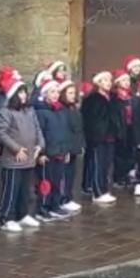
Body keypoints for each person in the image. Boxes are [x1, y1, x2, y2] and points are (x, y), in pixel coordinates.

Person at [0, 77, 44, 233]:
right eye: (20, 92)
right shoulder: (6, 112)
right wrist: (16, 148)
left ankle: (23, 214)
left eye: (24, 92)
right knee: (11, 190)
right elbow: (1, 133)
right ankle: (7, 218)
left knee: (25, 189)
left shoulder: (30, 110)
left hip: (30, 157)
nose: (23, 95)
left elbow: (38, 129)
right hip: (14, 159)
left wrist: (40, 146)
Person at [35, 79, 73, 221]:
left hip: (60, 151)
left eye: (57, 91)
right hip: (48, 153)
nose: (56, 94)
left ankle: (55, 205)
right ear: (45, 94)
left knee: (57, 181)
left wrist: (66, 150)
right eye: (52, 92)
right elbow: (40, 133)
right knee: (46, 182)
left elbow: (65, 132)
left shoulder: (61, 111)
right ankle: (43, 207)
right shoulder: (41, 112)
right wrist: (41, 153)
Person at [81, 70, 120, 204]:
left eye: (109, 81)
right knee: (98, 165)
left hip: (110, 137)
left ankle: (104, 189)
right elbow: (90, 121)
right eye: (104, 81)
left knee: (106, 165)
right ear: (98, 83)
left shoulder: (112, 98)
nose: (108, 83)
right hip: (98, 138)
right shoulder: (92, 100)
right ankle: (97, 192)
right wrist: (96, 135)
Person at [60, 80, 84, 212]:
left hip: (74, 145)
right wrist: (66, 149)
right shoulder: (62, 110)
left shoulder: (74, 108)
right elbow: (64, 129)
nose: (72, 95)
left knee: (71, 173)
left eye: (74, 93)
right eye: (69, 93)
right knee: (65, 174)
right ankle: (63, 199)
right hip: (66, 147)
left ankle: (68, 197)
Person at [111, 69, 135, 188]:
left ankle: (127, 174)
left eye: (128, 80)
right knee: (119, 154)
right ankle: (118, 177)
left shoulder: (130, 96)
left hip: (130, 126)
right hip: (120, 127)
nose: (127, 82)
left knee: (129, 152)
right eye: (124, 80)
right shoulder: (115, 97)